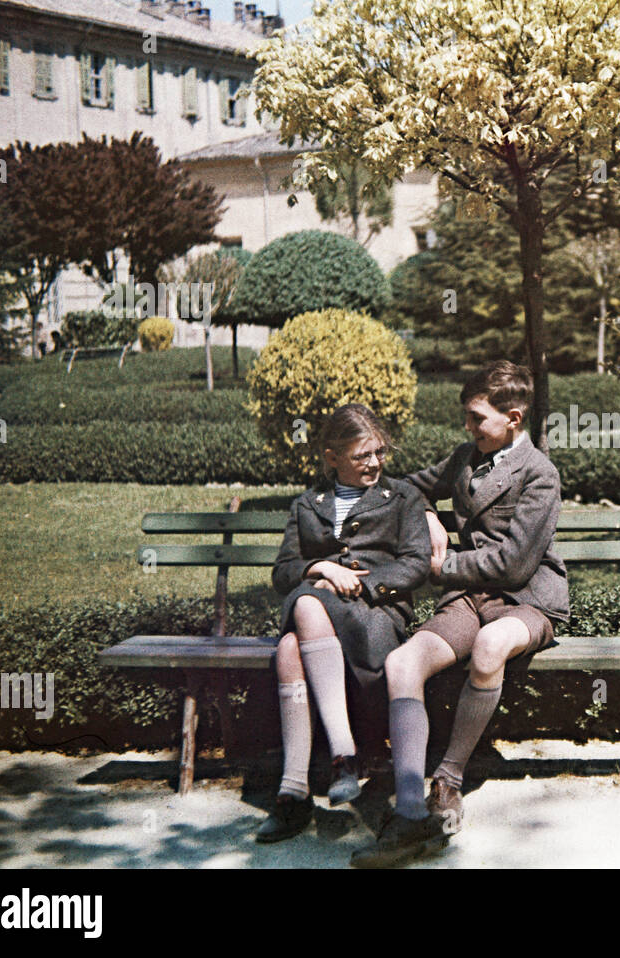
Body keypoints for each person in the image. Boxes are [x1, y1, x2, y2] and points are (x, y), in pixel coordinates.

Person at [351, 360, 569, 867]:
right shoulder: (466, 458)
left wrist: (441, 563)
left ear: (512, 418)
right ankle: (410, 813)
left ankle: (447, 781)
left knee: (491, 647)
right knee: (404, 664)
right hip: (469, 599)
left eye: (477, 419)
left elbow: (515, 565)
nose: (467, 429)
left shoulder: (540, 474)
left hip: (526, 599)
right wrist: (429, 516)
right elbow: (407, 487)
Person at [258, 403, 431, 843]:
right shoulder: (307, 504)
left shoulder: (402, 498)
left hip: (375, 614)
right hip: (321, 617)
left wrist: (360, 585)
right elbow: (283, 574)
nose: (373, 463)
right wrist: (321, 568)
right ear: (331, 457)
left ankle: (337, 760)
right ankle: (295, 787)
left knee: (305, 613)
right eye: (361, 456)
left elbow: (414, 566)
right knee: (290, 643)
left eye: (379, 453)